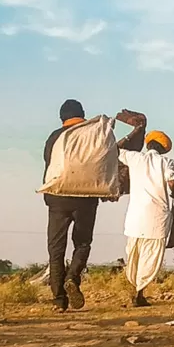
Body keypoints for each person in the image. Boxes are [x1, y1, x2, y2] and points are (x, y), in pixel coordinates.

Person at [43, 100, 145, 312]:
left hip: (58, 197)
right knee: (82, 243)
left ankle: (58, 300)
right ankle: (72, 277)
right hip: (87, 197)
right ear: (82, 114)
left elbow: (49, 164)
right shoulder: (96, 135)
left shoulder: (56, 137)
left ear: (62, 117)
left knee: (56, 249)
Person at [119, 129, 174, 307]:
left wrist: (131, 134)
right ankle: (139, 293)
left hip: (135, 217)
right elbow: (172, 182)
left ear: (148, 144)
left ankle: (134, 291)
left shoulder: (135, 158)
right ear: (163, 148)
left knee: (134, 255)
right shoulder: (166, 162)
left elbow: (114, 149)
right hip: (157, 216)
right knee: (150, 257)